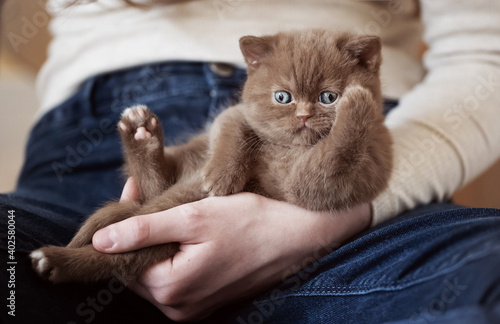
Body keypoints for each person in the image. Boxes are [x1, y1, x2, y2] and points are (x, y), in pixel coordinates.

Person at [1, 0, 500, 323]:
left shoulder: (352, 89)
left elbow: (485, 58)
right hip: (97, 133)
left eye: (323, 98)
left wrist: (342, 213)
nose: (303, 111)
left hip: (372, 177)